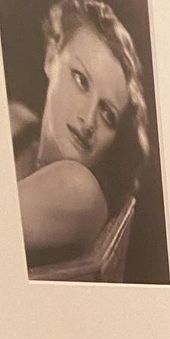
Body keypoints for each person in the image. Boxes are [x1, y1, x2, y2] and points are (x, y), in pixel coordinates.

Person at [7, 0, 150, 271]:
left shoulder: (80, 190)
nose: (88, 119)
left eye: (107, 114)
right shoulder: (16, 121)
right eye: (81, 80)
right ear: (51, 58)